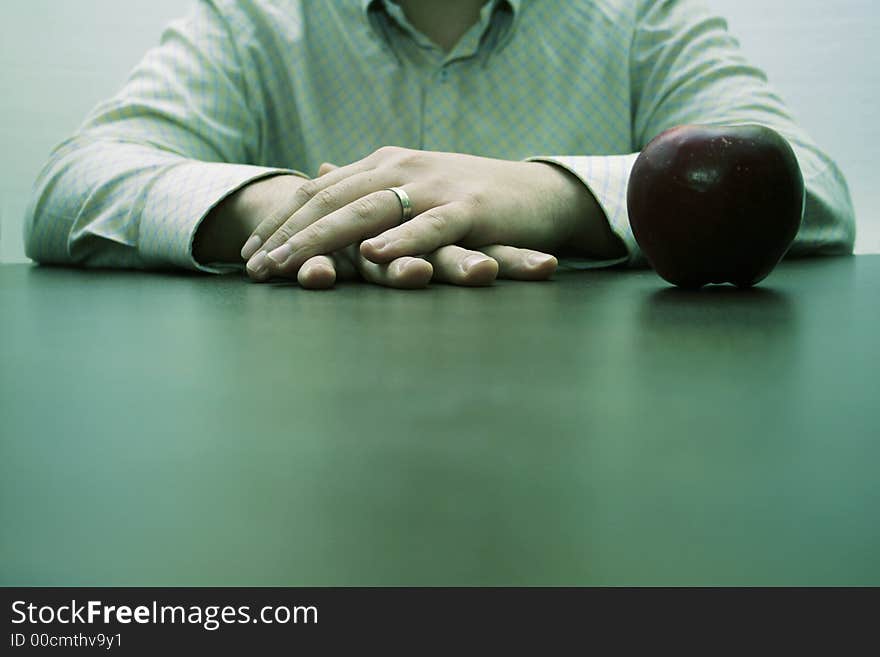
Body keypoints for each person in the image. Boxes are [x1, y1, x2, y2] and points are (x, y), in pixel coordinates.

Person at [24, 0, 855, 289]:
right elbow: (74, 185)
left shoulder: (640, 18)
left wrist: (549, 197)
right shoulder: (254, 23)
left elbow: (807, 185)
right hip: (304, 423)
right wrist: (299, 212)